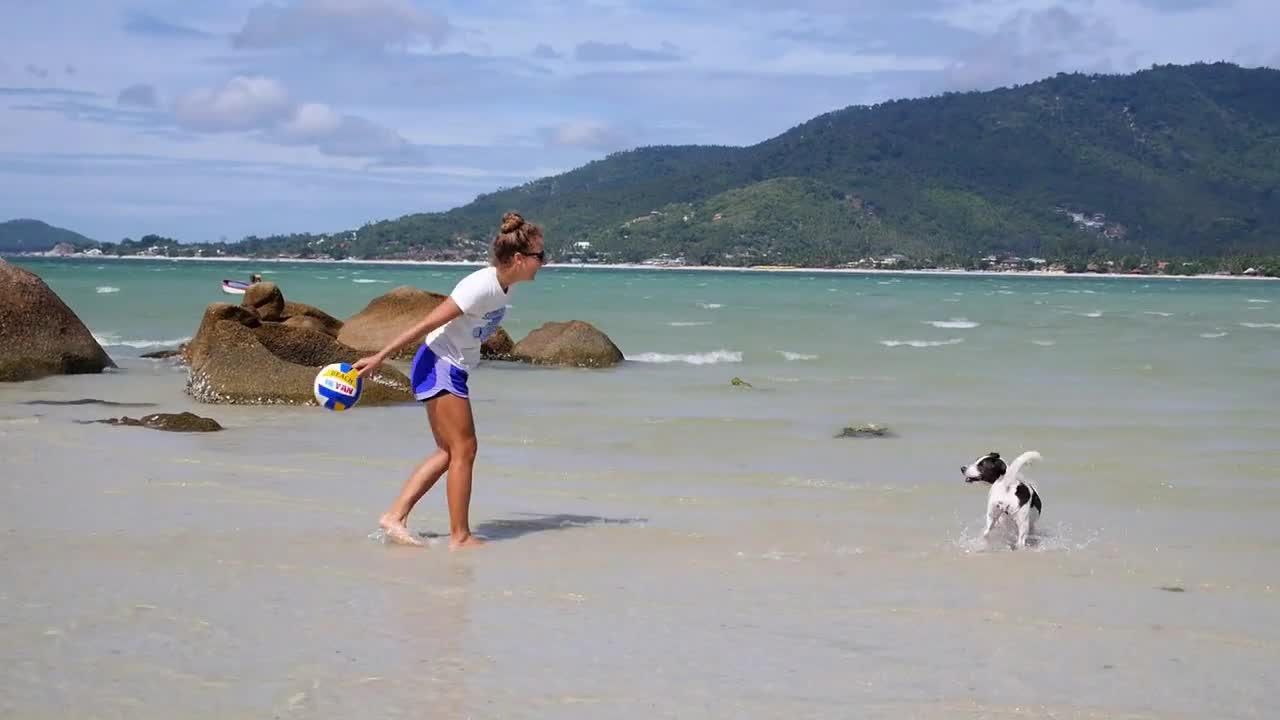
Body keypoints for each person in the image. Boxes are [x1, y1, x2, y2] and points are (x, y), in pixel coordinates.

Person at [353, 212, 546, 549]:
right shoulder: (479, 287)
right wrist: (379, 357)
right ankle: (460, 536)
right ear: (518, 259)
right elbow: (426, 323)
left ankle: (394, 516)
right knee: (465, 448)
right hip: (438, 363)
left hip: (451, 366)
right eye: (539, 256)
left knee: (449, 451)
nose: (543, 263)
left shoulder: (504, 286)